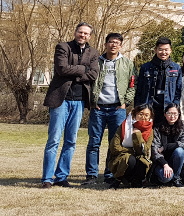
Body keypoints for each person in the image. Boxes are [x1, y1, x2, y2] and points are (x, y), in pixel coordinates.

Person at [42, 22, 100, 189]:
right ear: (75, 32)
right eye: (80, 32)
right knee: (53, 140)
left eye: (86, 33)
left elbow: (94, 74)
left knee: (71, 141)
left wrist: (77, 75)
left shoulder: (93, 53)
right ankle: (47, 178)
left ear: (90, 36)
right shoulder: (63, 47)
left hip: (79, 101)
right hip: (61, 99)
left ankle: (61, 176)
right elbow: (61, 69)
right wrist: (83, 69)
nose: (83, 35)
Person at [83, 32, 136, 185]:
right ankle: (91, 175)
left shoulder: (127, 63)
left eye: (117, 43)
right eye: (111, 42)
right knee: (94, 142)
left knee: (114, 144)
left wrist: (125, 101)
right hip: (98, 108)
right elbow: (89, 82)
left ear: (121, 46)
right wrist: (92, 101)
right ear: (106, 44)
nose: (113, 45)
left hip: (117, 109)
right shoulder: (96, 62)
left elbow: (133, 84)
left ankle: (110, 174)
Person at [134, 37, 182, 125]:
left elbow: (178, 91)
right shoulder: (145, 67)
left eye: (166, 50)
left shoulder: (176, 68)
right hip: (148, 108)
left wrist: (174, 106)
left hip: (167, 109)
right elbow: (139, 90)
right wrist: (138, 108)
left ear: (170, 50)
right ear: (155, 50)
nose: (163, 53)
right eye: (160, 49)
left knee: (165, 136)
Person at [107, 104, 154, 189]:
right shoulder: (124, 126)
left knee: (142, 161)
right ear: (135, 114)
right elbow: (114, 147)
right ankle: (119, 178)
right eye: (140, 114)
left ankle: (136, 181)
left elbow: (144, 151)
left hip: (139, 159)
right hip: (121, 158)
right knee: (130, 159)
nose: (143, 117)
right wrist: (132, 152)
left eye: (146, 115)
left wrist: (137, 135)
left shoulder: (150, 131)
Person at [152, 103, 184, 187]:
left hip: (176, 161)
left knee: (180, 151)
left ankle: (177, 178)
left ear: (179, 114)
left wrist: (166, 147)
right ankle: (164, 177)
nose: (172, 116)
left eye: (175, 113)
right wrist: (165, 164)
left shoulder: (183, 127)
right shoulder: (158, 128)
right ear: (165, 114)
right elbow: (155, 149)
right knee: (167, 178)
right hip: (161, 162)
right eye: (169, 113)